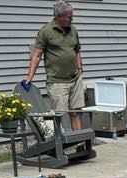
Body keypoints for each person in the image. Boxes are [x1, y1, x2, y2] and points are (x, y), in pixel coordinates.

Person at [24, 2, 84, 131]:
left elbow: (77, 50)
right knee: (59, 115)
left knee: (76, 113)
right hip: (57, 81)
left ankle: (81, 144)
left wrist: (80, 68)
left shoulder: (73, 29)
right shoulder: (46, 31)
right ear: (59, 17)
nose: (72, 19)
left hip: (75, 78)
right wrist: (30, 76)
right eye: (69, 17)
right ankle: (58, 148)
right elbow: (37, 55)